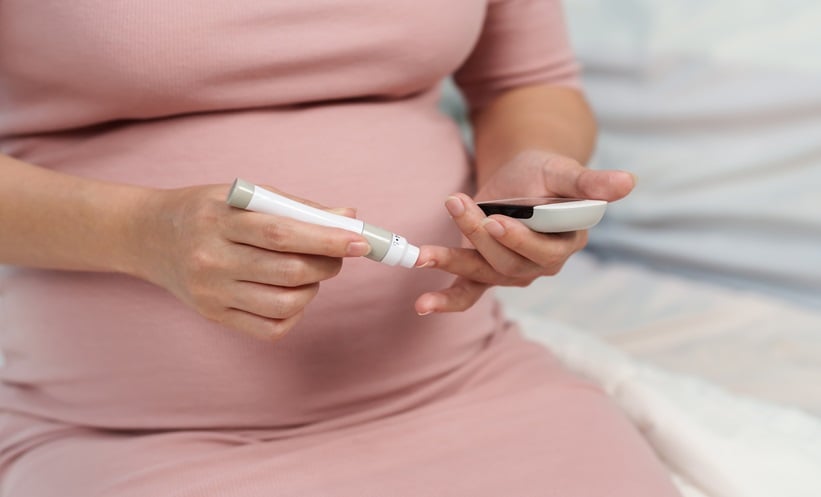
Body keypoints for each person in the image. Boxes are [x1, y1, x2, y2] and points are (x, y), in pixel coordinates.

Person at [0, 1, 679, 495]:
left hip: (470, 389)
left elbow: (525, 80)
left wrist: (525, 174)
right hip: (126, 434)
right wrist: (143, 231)